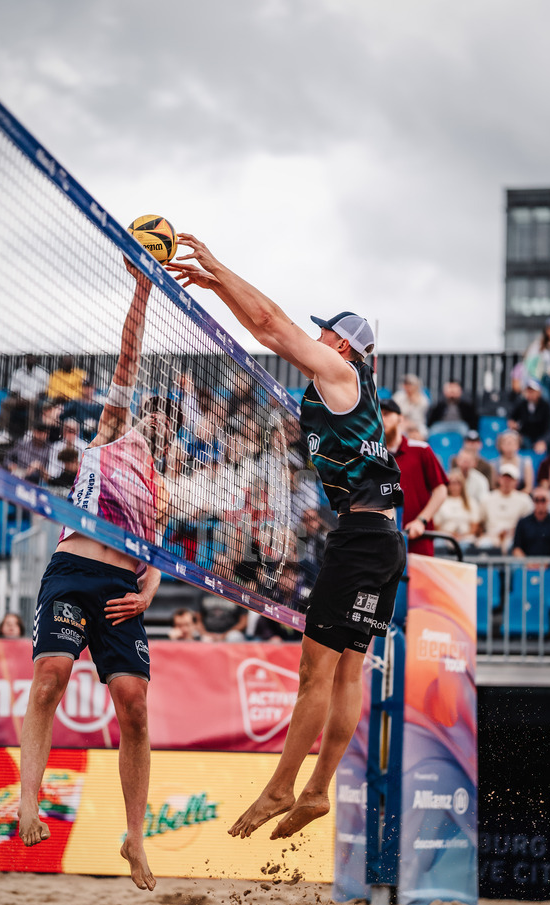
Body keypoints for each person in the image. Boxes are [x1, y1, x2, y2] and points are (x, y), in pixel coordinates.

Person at [169, 234, 405, 841]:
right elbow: (269, 330)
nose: (318, 337)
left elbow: (272, 328)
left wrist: (220, 269)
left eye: (327, 331)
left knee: (315, 674)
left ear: (346, 344)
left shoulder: (340, 370)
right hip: (383, 541)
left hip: (360, 541)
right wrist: (219, 288)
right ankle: (318, 791)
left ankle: (282, 786)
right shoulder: (349, 385)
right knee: (350, 672)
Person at [19, 262, 164, 891]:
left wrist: (144, 599)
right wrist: (142, 291)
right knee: (50, 677)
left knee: (133, 706)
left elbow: (155, 565)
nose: (153, 424)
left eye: (163, 422)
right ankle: (28, 800)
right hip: (73, 569)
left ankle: (135, 837)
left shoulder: (158, 488)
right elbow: (129, 356)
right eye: (149, 415)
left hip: (120, 594)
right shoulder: (107, 441)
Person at [381, 398, 448, 556]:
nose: (382, 418)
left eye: (387, 414)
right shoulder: (371, 455)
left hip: (418, 539)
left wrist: (421, 521)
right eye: (378, 414)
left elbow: (441, 490)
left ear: (400, 418)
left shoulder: (421, 450)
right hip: (382, 541)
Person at [0, 355, 49, 444]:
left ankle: (30, 432)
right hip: (19, 399)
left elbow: (43, 392)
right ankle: (4, 432)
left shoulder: (42, 373)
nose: (30, 360)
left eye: (32, 358)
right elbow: (13, 390)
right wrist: (19, 399)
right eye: (28, 358)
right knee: (5, 403)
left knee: (33, 404)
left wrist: (33, 398)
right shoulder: (18, 372)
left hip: (34, 399)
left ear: (36, 360)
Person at [477, 465, 533, 553]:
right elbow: (480, 523)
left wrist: (513, 532)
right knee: (484, 544)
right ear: (499, 479)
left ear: (516, 482)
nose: (507, 482)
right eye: (505, 478)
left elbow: (528, 523)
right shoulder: (487, 498)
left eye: (510, 479)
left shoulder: (524, 500)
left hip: (514, 538)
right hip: (491, 537)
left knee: (515, 545)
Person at [432, 469, 480, 549]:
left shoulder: (471, 502)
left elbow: (474, 527)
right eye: (452, 483)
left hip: (466, 538)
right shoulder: (441, 501)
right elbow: (437, 526)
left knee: (466, 545)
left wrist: (462, 536)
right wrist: (450, 535)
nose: (454, 486)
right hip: (445, 537)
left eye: (458, 483)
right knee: (438, 544)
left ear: (462, 485)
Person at [512, 488, 550, 559]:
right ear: (533, 501)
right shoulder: (522, 522)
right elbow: (516, 548)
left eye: (543, 500)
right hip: (526, 567)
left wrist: (547, 563)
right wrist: (527, 563)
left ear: (549, 501)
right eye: (537, 500)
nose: (540, 503)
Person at [508, 380, 550, 453]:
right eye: (528, 391)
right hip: (525, 436)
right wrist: (512, 422)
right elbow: (511, 416)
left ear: (539, 392)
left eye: (532, 391)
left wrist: (543, 441)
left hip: (541, 436)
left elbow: (549, 427)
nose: (529, 393)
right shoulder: (521, 403)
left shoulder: (546, 406)